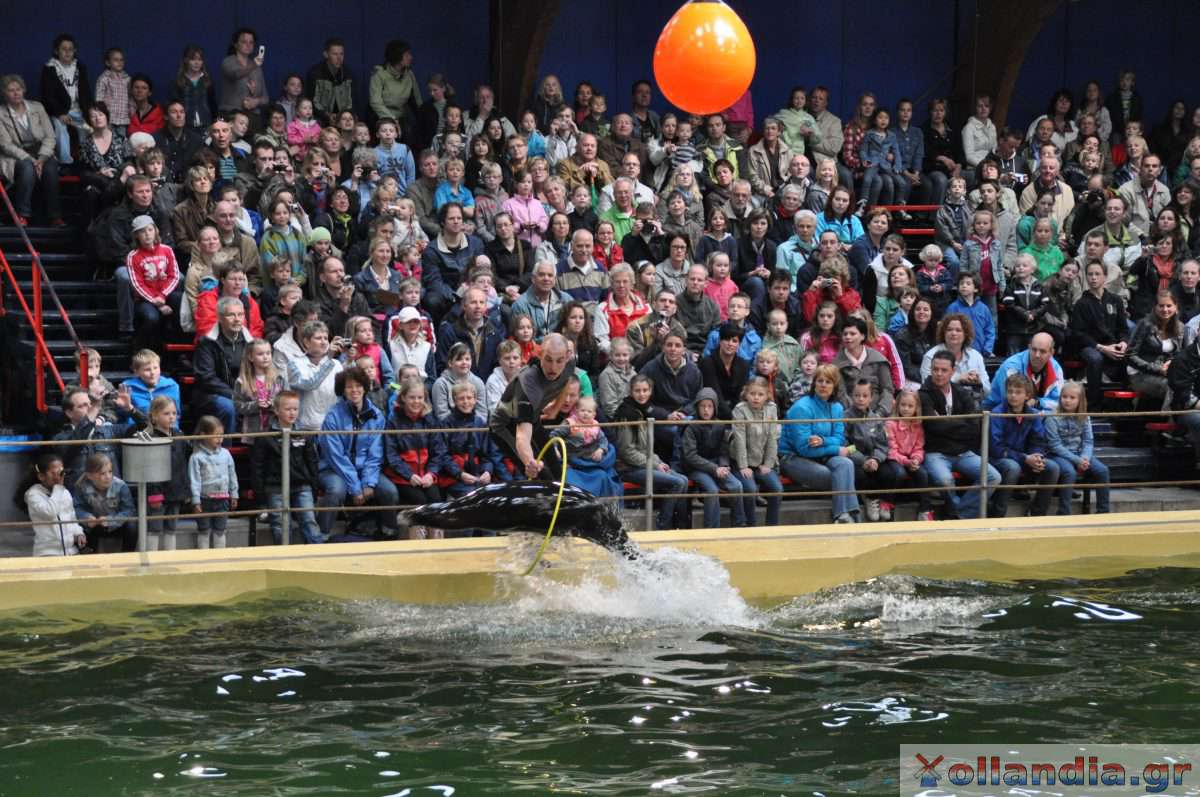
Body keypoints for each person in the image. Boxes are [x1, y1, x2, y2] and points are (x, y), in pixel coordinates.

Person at [316, 366, 399, 539]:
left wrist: (369, 482)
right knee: (336, 490)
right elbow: (335, 456)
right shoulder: (333, 416)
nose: (354, 390)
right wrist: (355, 487)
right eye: (349, 387)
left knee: (389, 491)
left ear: (365, 387)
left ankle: (389, 533)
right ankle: (321, 536)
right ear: (342, 390)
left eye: (358, 385)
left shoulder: (377, 416)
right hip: (334, 469)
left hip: (365, 470)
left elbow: (375, 454)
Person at [919, 350, 1000, 519]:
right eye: (935, 369)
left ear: (952, 371)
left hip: (963, 452)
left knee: (993, 477)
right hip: (936, 452)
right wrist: (958, 424)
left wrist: (944, 422)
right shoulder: (923, 394)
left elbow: (974, 426)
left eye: (943, 370)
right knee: (945, 480)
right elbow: (933, 426)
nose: (939, 374)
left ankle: (959, 515)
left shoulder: (961, 392)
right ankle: (959, 515)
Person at [779, 364, 860, 523]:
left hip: (822, 454)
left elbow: (839, 437)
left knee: (846, 465)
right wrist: (836, 449)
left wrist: (823, 441)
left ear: (835, 386)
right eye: (820, 381)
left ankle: (842, 515)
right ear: (814, 383)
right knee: (836, 476)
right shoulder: (801, 408)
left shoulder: (836, 407)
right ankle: (850, 517)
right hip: (793, 457)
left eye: (828, 382)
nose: (823, 385)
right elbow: (805, 449)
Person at [488, 333, 575, 478]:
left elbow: (566, 381)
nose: (553, 367)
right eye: (548, 359)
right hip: (505, 426)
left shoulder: (570, 364)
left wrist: (555, 408)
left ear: (567, 356)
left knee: (555, 466)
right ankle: (541, 498)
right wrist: (529, 462)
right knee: (540, 474)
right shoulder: (528, 382)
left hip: (532, 418)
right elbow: (522, 437)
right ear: (540, 354)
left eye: (559, 361)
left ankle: (562, 500)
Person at [615, 374, 689, 529]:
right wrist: (654, 465)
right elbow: (626, 451)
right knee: (677, 483)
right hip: (628, 468)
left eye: (645, 390)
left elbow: (647, 448)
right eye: (637, 391)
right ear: (631, 392)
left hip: (644, 463)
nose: (641, 394)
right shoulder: (627, 414)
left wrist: (659, 462)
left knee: (683, 479)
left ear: (650, 391)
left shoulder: (643, 411)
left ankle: (679, 526)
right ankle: (662, 526)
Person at [990, 373, 1061, 518]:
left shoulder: (1033, 414)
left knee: (1053, 468)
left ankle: (1037, 513)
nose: (1013, 396)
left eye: (1018, 392)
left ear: (1027, 395)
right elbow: (996, 448)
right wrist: (1025, 458)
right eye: (1010, 391)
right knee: (1012, 467)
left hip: (1024, 457)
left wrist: (1036, 456)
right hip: (998, 457)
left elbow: (1038, 440)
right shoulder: (997, 413)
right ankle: (997, 515)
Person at [384, 379, 447, 534]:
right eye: (412, 397)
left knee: (435, 499)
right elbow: (391, 455)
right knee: (419, 501)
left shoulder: (430, 420)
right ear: (403, 397)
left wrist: (431, 474)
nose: (416, 401)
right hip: (403, 477)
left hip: (425, 475)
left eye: (420, 397)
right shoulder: (393, 422)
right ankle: (418, 541)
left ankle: (436, 542)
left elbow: (439, 451)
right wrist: (409, 475)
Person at [0, 74, 63, 226]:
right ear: (4, 93)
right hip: (14, 155)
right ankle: (23, 214)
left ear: (24, 90)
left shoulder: (37, 107)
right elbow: (5, 145)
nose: (16, 93)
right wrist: (32, 161)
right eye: (11, 90)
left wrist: (41, 158)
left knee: (51, 167)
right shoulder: (1, 113)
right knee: (27, 167)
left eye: (19, 89)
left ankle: (54, 215)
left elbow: (50, 136)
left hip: (41, 152)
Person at [680, 387, 744, 528]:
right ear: (697, 407)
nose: (706, 410)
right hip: (695, 468)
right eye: (702, 406)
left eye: (710, 406)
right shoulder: (691, 427)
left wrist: (724, 465)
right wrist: (714, 469)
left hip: (716, 464)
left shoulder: (720, 425)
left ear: (715, 407)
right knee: (712, 490)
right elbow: (690, 456)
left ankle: (739, 524)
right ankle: (711, 528)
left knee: (736, 485)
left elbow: (723, 451)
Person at [1070, 262, 1129, 408]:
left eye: (1097, 274)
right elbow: (1079, 334)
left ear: (1105, 277)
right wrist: (1101, 348)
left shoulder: (1115, 300)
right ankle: (1094, 403)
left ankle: (1125, 404)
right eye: (1090, 274)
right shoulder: (1081, 303)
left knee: (1130, 355)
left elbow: (1123, 328)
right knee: (1095, 358)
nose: (1093, 278)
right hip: (1090, 346)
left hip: (1113, 343)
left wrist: (1123, 342)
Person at [845, 378, 902, 522]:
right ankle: (870, 498)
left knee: (892, 473)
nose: (860, 399)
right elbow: (846, 444)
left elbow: (883, 444)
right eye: (857, 395)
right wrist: (863, 460)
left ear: (871, 398)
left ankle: (885, 501)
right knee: (860, 474)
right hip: (857, 459)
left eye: (865, 396)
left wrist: (875, 459)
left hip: (874, 459)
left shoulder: (876, 418)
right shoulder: (846, 417)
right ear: (852, 396)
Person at [730, 377, 783, 526]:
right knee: (750, 489)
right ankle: (751, 525)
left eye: (760, 394)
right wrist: (743, 466)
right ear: (746, 394)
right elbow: (739, 440)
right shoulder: (740, 410)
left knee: (777, 489)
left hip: (762, 462)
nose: (756, 397)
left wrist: (768, 463)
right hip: (742, 461)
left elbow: (773, 438)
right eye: (752, 393)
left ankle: (771, 526)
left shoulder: (771, 408)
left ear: (767, 395)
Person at [20, 453, 86, 557]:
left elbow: (72, 517)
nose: (59, 476)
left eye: (61, 472)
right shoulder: (33, 495)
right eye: (54, 473)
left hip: (70, 552)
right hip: (48, 553)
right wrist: (58, 487)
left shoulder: (64, 492)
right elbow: (50, 512)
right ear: (41, 476)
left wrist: (79, 533)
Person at [187, 415, 237, 549]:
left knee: (220, 531)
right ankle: (203, 559)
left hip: (223, 499)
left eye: (222, 435)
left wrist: (234, 493)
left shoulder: (226, 454)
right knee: (204, 531)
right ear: (203, 435)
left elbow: (232, 474)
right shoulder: (196, 457)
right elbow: (195, 480)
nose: (220, 438)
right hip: (205, 500)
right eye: (216, 435)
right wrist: (196, 500)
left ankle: (220, 559)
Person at [1127, 290, 1182, 409]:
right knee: (1173, 386)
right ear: (1155, 307)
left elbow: (1180, 354)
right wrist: (1157, 369)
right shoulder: (1145, 324)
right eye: (1161, 306)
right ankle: (1168, 424)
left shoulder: (1180, 327)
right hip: (1141, 375)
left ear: (1176, 307)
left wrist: (1171, 363)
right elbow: (1130, 355)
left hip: (1167, 373)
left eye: (1169, 306)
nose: (1165, 309)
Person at [72, 452, 136, 553]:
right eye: (102, 473)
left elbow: (129, 510)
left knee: (132, 526)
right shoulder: (81, 487)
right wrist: (86, 517)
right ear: (90, 476)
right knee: (79, 529)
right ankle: (88, 555)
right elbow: (76, 507)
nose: (108, 477)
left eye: (110, 472)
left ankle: (127, 555)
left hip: (115, 525)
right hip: (93, 526)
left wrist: (111, 520)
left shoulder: (120, 485)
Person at [886, 389, 934, 521]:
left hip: (910, 459)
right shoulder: (891, 424)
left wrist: (916, 460)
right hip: (894, 459)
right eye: (903, 405)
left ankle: (925, 509)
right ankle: (889, 502)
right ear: (897, 405)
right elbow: (891, 450)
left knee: (922, 473)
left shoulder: (918, 425)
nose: (906, 409)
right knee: (899, 473)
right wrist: (907, 462)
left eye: (910, 406)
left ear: (916, 408)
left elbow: (919, 448)